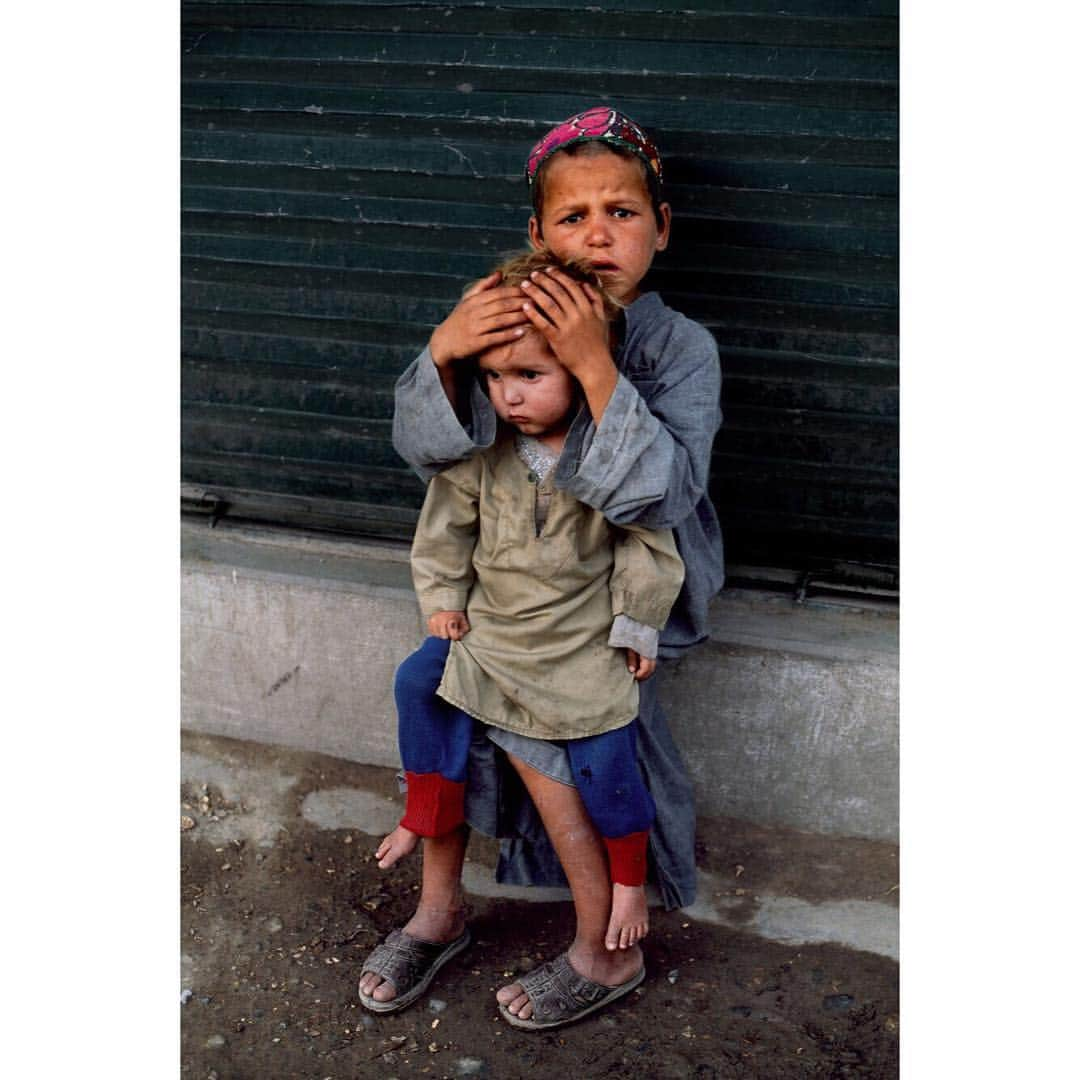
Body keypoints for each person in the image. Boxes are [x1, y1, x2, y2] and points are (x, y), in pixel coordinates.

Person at [360, 106, 724, 1029]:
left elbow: (663, 499)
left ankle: (606, 951)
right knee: (446, 718)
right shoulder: (506, 317)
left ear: (663, 226)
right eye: (571, 217)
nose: (597, 234)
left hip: (612, 601)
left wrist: (596, 365)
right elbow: (440, 465)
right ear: (537, 234)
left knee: (571, 757)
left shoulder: (679, 349)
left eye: (623, 212)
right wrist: (446, 352)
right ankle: (439, 915)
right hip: (498, 588)